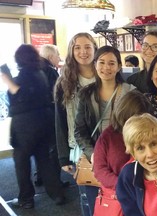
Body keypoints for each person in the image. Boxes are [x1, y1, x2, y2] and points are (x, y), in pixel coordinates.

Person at [0, 44, 65, 209]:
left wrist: (7, 80)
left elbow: (19, 94)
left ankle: (26, 198)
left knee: (21, 162)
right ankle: (57, 194)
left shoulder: (24, 75)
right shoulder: (40, 73)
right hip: (44, 122)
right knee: (44, 160)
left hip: (25, 126)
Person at [74, 45, 135, 215]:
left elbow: (138, 127)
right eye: (101, 62)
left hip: (123, 159)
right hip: (94, 159)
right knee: (96, 205)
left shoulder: (131, 93)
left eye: (111, 63)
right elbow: (79, 130)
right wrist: (92, 153)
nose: (106, 67)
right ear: (95, 64)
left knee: (124, 204)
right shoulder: (86, 94)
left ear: (119, 66)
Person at [54, 32, 98, 216]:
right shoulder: (65, 82)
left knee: (113, 195)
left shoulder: (106, 74)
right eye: (77, 47)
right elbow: (60, 121)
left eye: (87, 46)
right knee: (88, 197)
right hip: (80, 148)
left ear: (95, 49)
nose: (83, 52)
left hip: (107, 145)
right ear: (72, 51)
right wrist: (63, 157)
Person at [93, 90, 151, 216]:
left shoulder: (149, 134)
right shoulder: (107, 136)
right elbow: (99, 170)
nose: (135, 122)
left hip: (146, 196)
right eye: (132, 117)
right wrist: (123, 185)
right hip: (116, 198)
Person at [33, 44, 62, 187]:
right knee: (54, 149)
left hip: (35, 117)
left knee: (41, 147)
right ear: (51, 56)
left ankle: (40, 177)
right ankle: (55, 182)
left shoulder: (33, 68)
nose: (60, 58)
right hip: (49, 115)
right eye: (58, 55)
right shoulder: (51, 72)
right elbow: (57, 95)